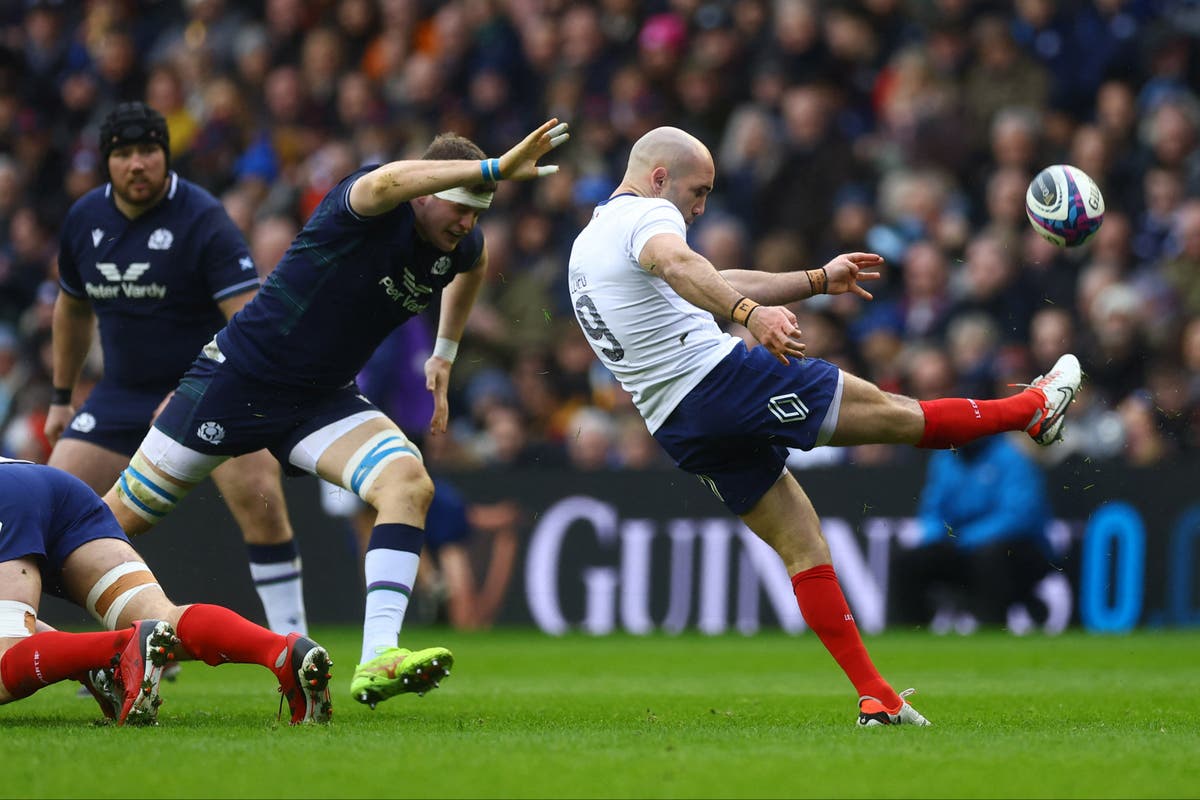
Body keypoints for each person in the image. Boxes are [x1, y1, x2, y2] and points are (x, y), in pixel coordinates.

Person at [566, 126, 1083, 727]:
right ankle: (1031, 411)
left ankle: (876, 696)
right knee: (899, 416)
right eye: (698, 191)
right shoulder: (649, 218)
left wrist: (815, 281)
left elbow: (709, 279)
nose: (701, 206)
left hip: (678, 423)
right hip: (723, 381)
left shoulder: (590, 242)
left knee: (802, 545)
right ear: (659, 180)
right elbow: (681, 264)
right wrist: (751, 317)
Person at [99, 118, 570, 709]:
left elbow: (470, 268)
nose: (468, 223)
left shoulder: (460, 243)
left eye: (479, 212)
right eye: (460, 208)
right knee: (113, 524)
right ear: (424, 194)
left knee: (408, 482)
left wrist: (445, 353)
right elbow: (394, 176)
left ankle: (378, 656)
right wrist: (496, 168)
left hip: (318, 398)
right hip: (236, 379)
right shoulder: (368, 202)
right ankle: (22, 612)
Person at [44, 102, 308, 637]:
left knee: (261, 498)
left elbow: (248, 322)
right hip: (120, 395)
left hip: (210, 389)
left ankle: (297, 641)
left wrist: (202, 390)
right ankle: (139, 635)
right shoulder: (84, 220)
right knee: (52, 511)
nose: (137, 163)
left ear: (166, 155)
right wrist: (60, 396)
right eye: (123, 153)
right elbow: (72, 309)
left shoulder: (204, 218)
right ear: (106, 162)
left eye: (148, 151)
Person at [0, 458, 332, 725]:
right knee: (160, 620)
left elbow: (15, 645)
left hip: (8, 497)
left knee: (5, 664)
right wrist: (79, 663)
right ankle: (281, 651)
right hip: (43, 482)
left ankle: (117, 650)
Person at [890, 435, 1054, 634]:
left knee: (991, 557)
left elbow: (1019, 515)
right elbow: (932, 510)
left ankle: (991, 630)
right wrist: (942, 536)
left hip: (1017, 550)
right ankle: (912, 635)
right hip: (962, 545)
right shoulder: (945, 457)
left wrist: (967, 538)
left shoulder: (1013, 455)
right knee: (909, 561)